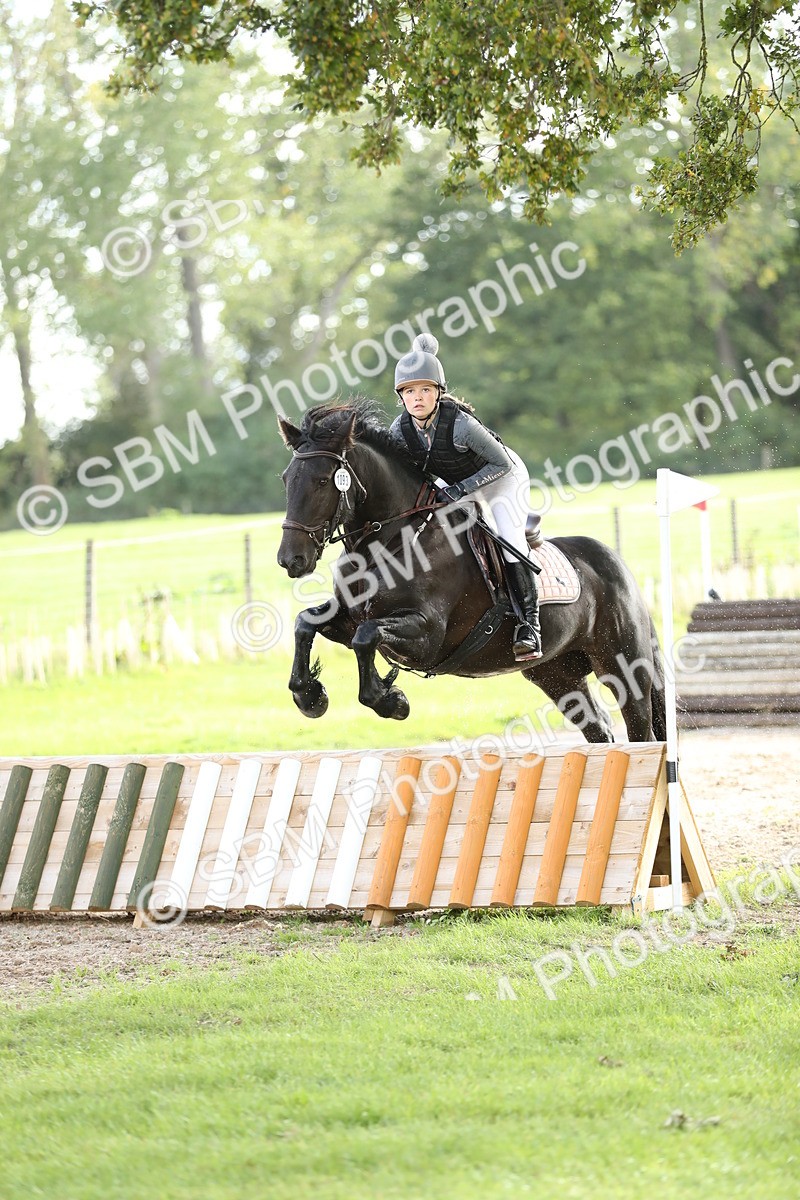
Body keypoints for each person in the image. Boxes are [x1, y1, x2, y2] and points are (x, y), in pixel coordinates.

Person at [388, 332, 542, 660]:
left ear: (438, 393)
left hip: (502, 477)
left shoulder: (460, 424)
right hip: (456, 482)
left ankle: (530, 625)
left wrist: (458, 490)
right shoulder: (399, 431)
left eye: (425, 390)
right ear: (401, 397)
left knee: (509, 540)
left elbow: (500, 462)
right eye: (410, 391)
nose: (417, 398)